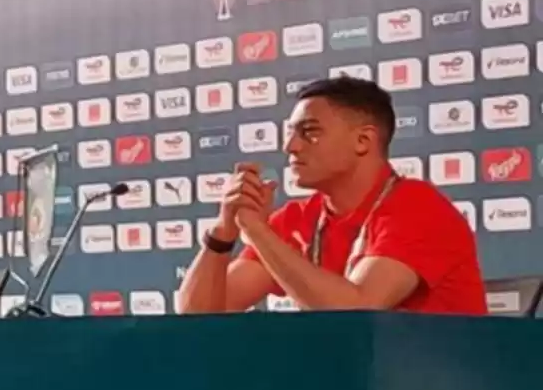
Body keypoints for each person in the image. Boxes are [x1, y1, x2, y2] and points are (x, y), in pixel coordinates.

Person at [178, 76, 487, 315]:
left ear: (363, 140)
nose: (290, 146)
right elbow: (198, 315)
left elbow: (357, 311)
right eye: (290, 133)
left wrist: (257, 231)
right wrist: (223, 233)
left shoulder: (417, 207)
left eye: (310, 132)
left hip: (439, 376)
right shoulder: (297, 218)